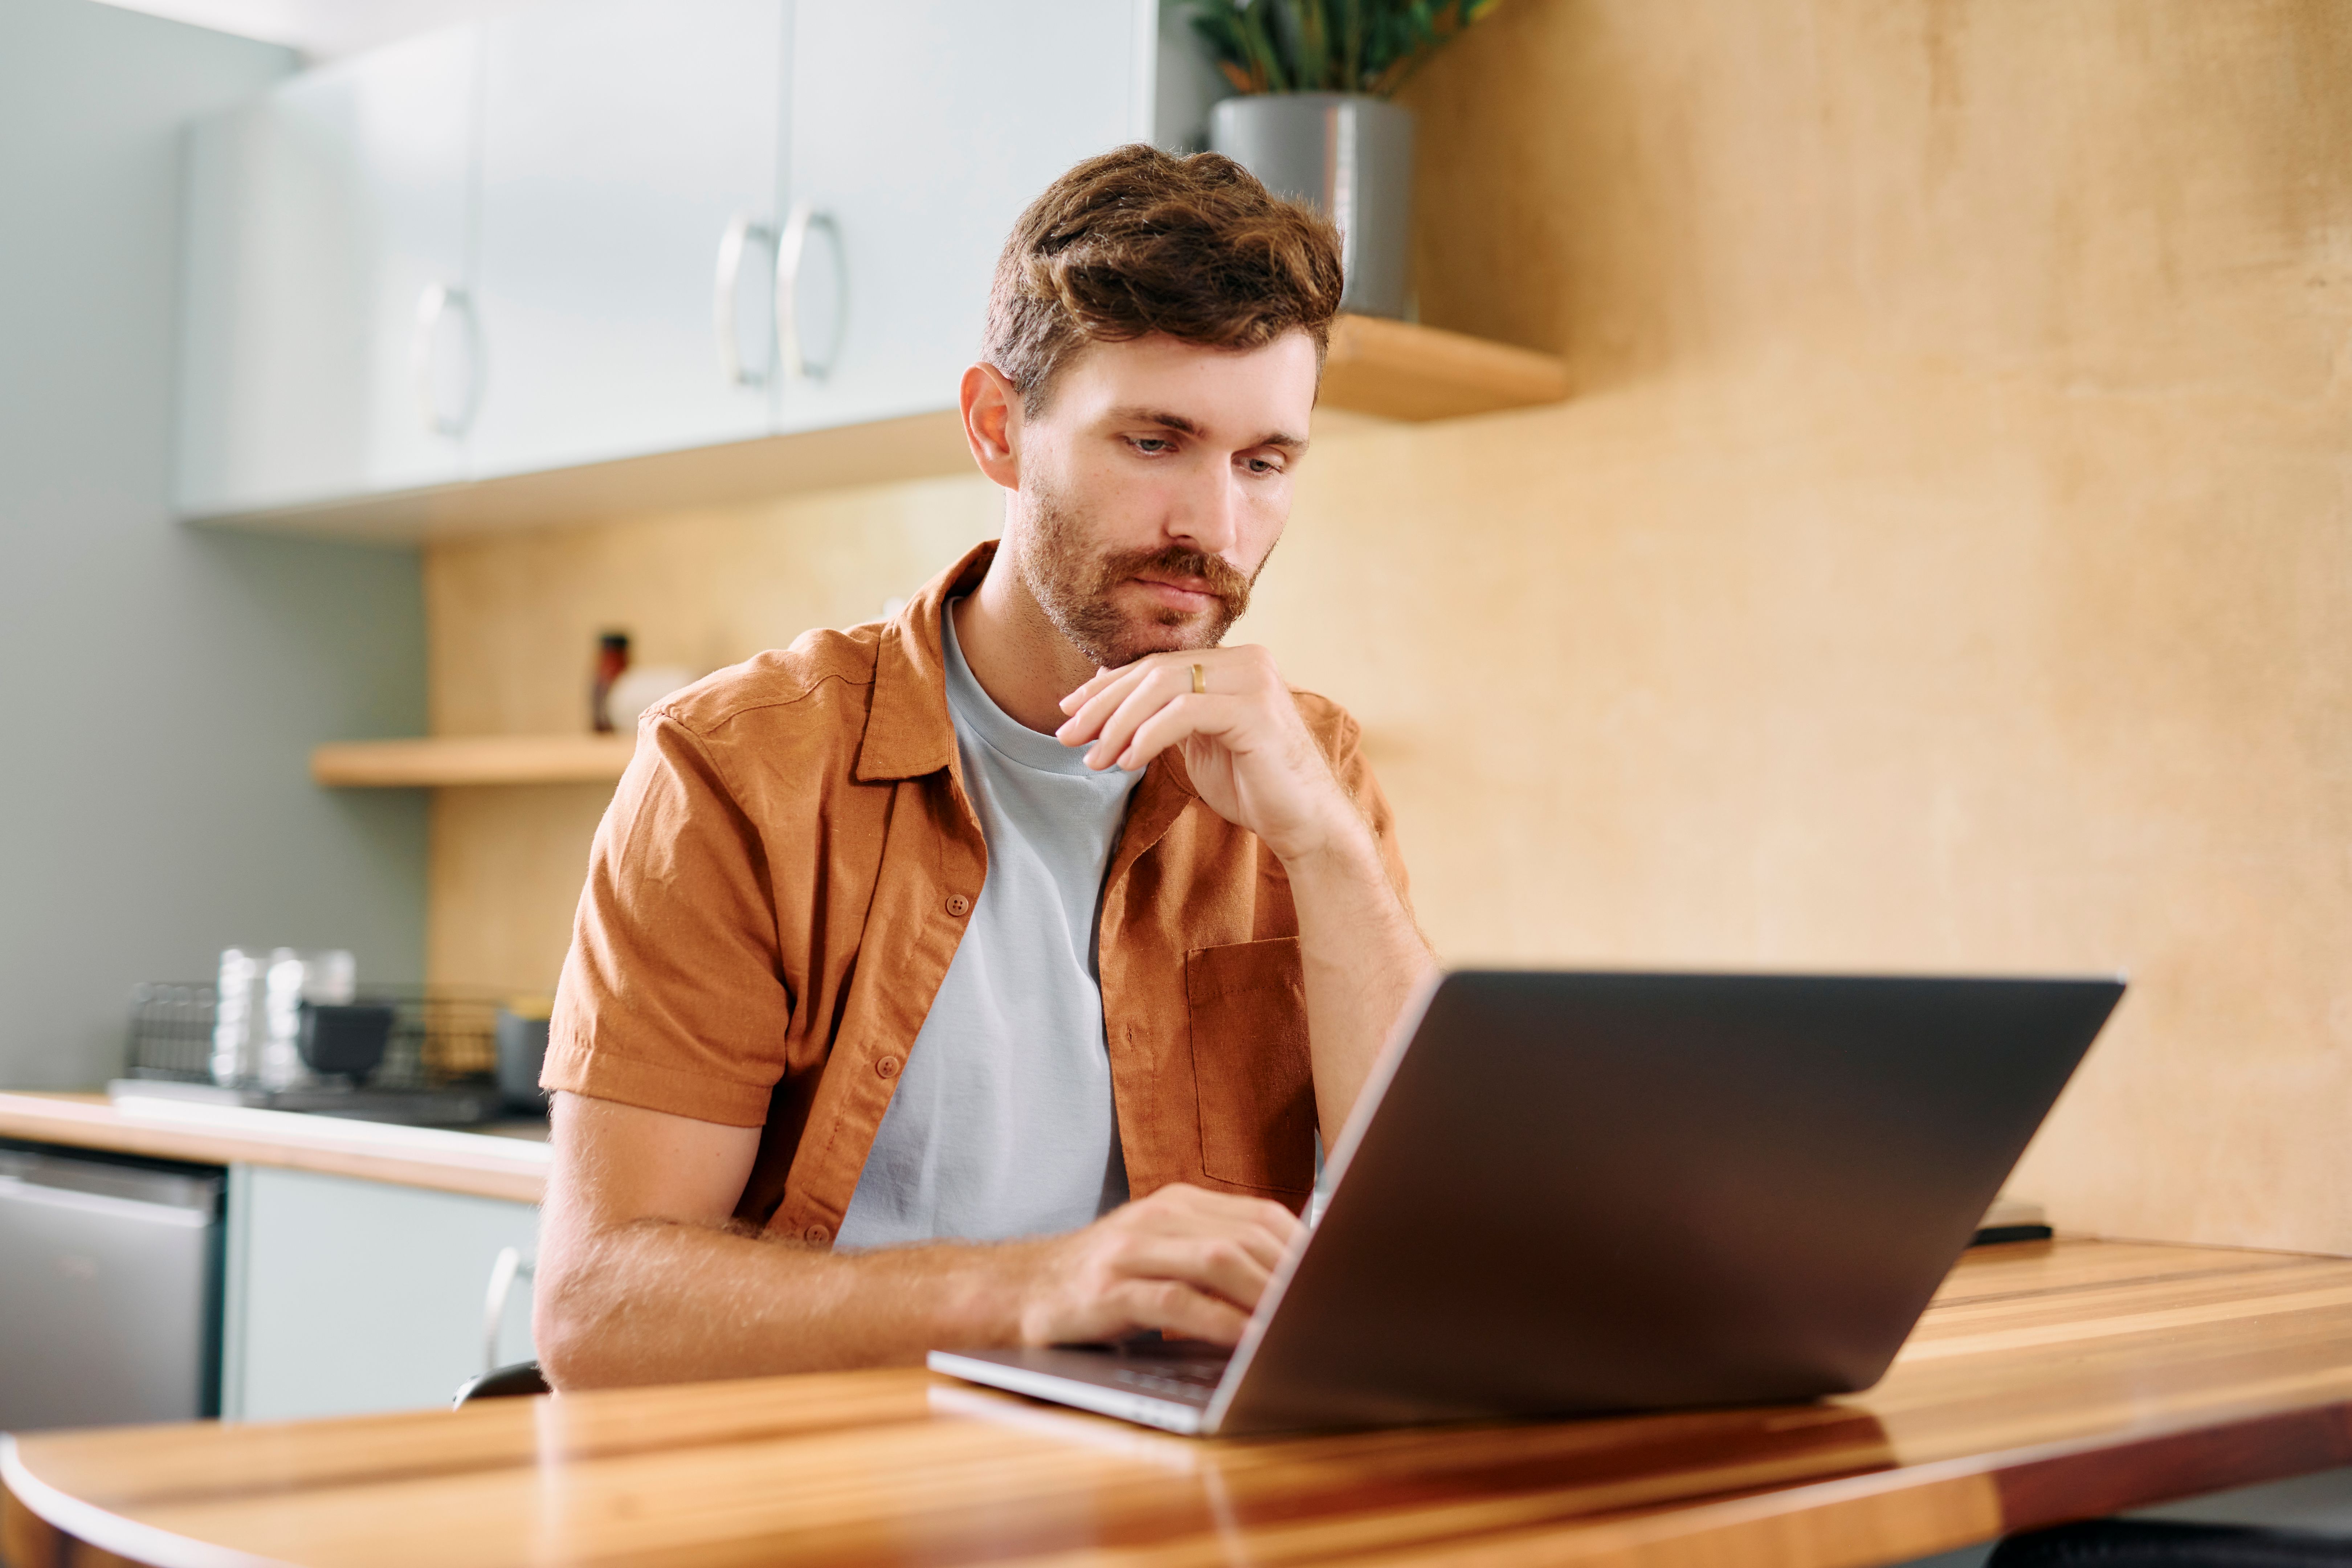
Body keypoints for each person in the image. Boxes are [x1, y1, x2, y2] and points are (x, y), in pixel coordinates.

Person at [533, 144, 1436, 1389]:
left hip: (1176, 1493)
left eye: (1263, 463)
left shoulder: (1309, 766)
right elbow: (595, 1310)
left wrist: (1328, 850)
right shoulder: (736, 770)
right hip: (822, 1485)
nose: (1215, 531)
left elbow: (1439, 1235)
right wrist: (1035, 1289)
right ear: (998, 428)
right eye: (1155, 441)